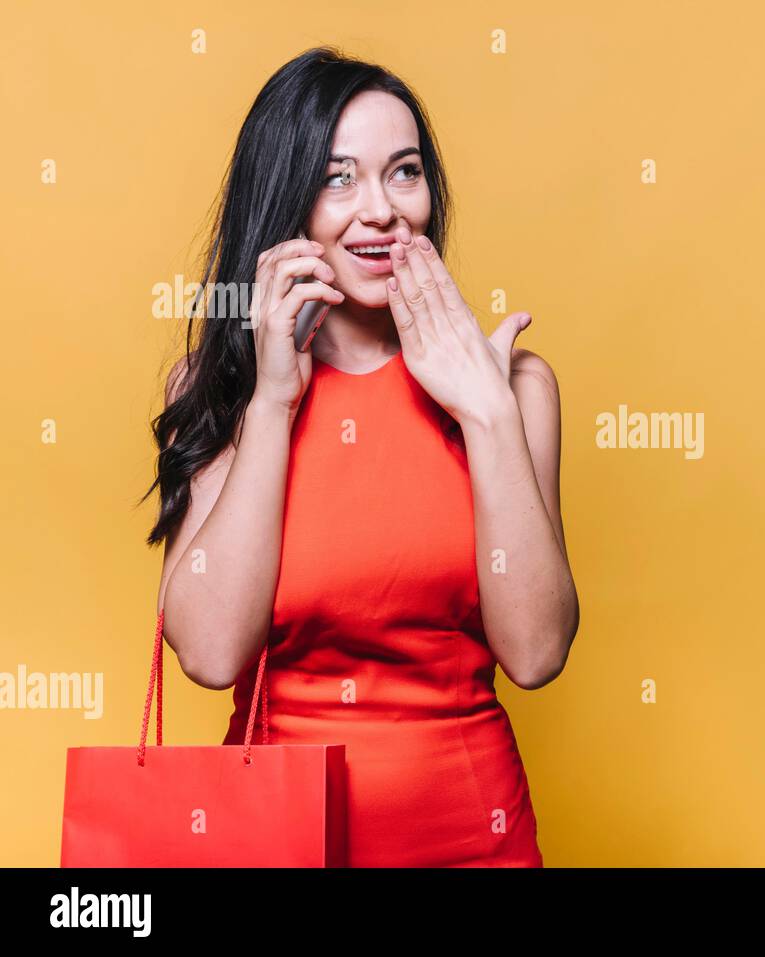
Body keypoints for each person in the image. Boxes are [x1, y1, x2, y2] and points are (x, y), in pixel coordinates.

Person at [140, 47, 579, 866]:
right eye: (338, 178)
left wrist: (484, 410)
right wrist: (273, 401)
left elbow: (538, 650)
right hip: (273, 843)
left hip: (473, 842)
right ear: (286, 201)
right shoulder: (217, 387)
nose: (381, 211)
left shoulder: (514, 386)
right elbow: (207, 652)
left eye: (403, 173)